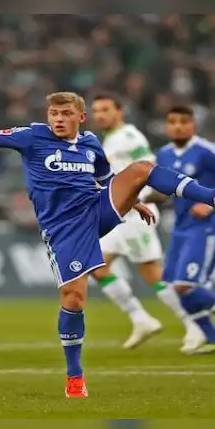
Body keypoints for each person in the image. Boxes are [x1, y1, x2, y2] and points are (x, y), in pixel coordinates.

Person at [0, 92, 215, 397]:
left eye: (65, 113)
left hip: (97, 209)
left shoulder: (90, 143)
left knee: (142, 169)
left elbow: (105, 179)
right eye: (53, 113)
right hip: (64, 228)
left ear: (80, 117)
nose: (57, 119)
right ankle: (75, 375)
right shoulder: (31, 136)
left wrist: (132, 200)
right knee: (74, 297)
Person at [88, 94, 204, 352]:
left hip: (134, 215)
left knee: (152, 273)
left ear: (120, 111)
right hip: (117, 214)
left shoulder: (131, 138)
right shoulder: (109, 139)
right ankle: (141, 319)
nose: (100, 115)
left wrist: (137, 198)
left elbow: (149, 169)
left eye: (106, 109)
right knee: (97, 266)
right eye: (96, 110)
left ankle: (195, 324)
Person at [150, 106, 215, 354]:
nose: (177, 126)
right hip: (180, 227)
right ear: (166, 126)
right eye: (172, 121)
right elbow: (161, 188)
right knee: (175, 287)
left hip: (206, 227)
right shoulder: (163, 154)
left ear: (193, 125)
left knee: (186, 285)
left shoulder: (207, 151)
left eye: (183, 122)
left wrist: (211, 206)